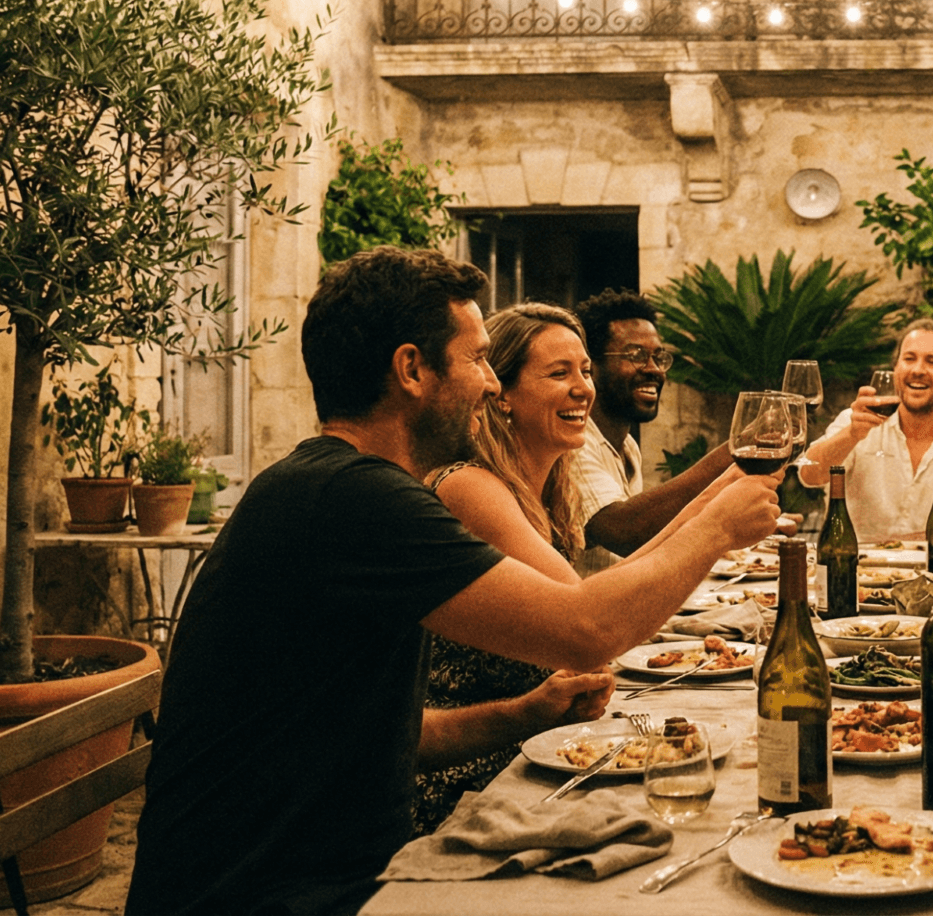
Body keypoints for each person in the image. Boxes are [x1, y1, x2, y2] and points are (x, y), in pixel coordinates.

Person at [127, 247, 783, 916]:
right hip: (275, 895)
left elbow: (377, 732)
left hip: (340, 874)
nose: (492, 385)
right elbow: (586, 630)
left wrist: (524, 714)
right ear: (412, 368)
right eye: (476, 360)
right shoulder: (352, 497)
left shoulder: (341, 487)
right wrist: (717, 527)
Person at [413, 302, 615, 835]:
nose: (583, 388)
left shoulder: (548, 488)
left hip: (533, 757)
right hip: (467, 785)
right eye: (558, 373)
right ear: (500, 394)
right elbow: (594, 627)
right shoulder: (470, 486)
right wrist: (726, 495)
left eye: (586, 370)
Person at [567, 288, 733, 574]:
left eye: (659, 357)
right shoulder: (574, 444)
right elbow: (624, 532)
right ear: (591, 367)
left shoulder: (627, 446)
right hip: (590, 613)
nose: (654, 369)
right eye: (636, 355)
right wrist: (735, 452)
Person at [795, 316, 933, 540]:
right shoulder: (855, 422)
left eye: (932, 362)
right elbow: (809, 474)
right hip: (859, 569)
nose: (918, 370)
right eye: (909, 359)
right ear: (896, 368)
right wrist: (851, 435)